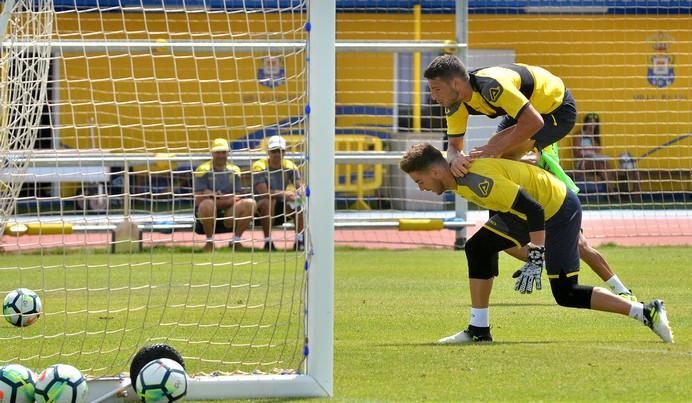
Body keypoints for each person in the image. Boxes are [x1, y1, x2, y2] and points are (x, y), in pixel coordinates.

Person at [399, 143, 673, 344]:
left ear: (435, 171)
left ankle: (646, 311)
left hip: (558, 208)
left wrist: (536, 256)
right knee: (478, 247)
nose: (421, 187)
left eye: (419, 180)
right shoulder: (462, 180)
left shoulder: (475, 180)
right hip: (523, 212)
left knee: (566, 292)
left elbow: (534, 210)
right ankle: (479, 330)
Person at [424, 55, 636, 300]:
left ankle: (619, 290)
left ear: (457, 85)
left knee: (578, 243)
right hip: (526, 115)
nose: (432, 96)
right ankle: (530, 249)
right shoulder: (455, 104)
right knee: (503, 224)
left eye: (436, 89)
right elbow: (453, 147)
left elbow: (534, 121)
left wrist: (497, 149)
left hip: (555, 110)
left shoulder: (493, 86)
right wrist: (455, 159)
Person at [193, 138, 256, 252]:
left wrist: (215, 196)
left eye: (223, 152)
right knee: (207, 204)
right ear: (212, 153)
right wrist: (224, 199)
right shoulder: (203, 170)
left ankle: (236, 241)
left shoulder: (235, 170)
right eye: (218, 152)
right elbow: (198, 198)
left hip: (229, 209)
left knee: (250, 204)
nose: (221, 155)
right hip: (209, 210)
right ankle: (210, 242)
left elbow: (238, 195)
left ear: (228, 153)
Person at [252, 135, 305, 251]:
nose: (277, 154)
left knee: (299, 202)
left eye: (280, 151)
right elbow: (264, 192)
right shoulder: (259, 166)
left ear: (284, 152)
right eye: (274, 151)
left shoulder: (290, 166)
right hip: (259, 208)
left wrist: (300, 192)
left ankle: (300, 239)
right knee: (268, 201)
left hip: (281, 205)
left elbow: (298, 185)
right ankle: (268, 242)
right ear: (268, 152)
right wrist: (285, 193)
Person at [572, 112, 617, 192]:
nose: (592, 125)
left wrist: (592, 136)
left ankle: (612, 189)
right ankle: (612, 192)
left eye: (594, 123)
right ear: (586, 123)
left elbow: (597, 150)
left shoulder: (595, 136)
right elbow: (576, 153)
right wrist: (586, 154)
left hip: (594, 160)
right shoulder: (579, 135)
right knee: (600, 165)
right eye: (590, 122)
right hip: (583, 162)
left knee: (606, 165)